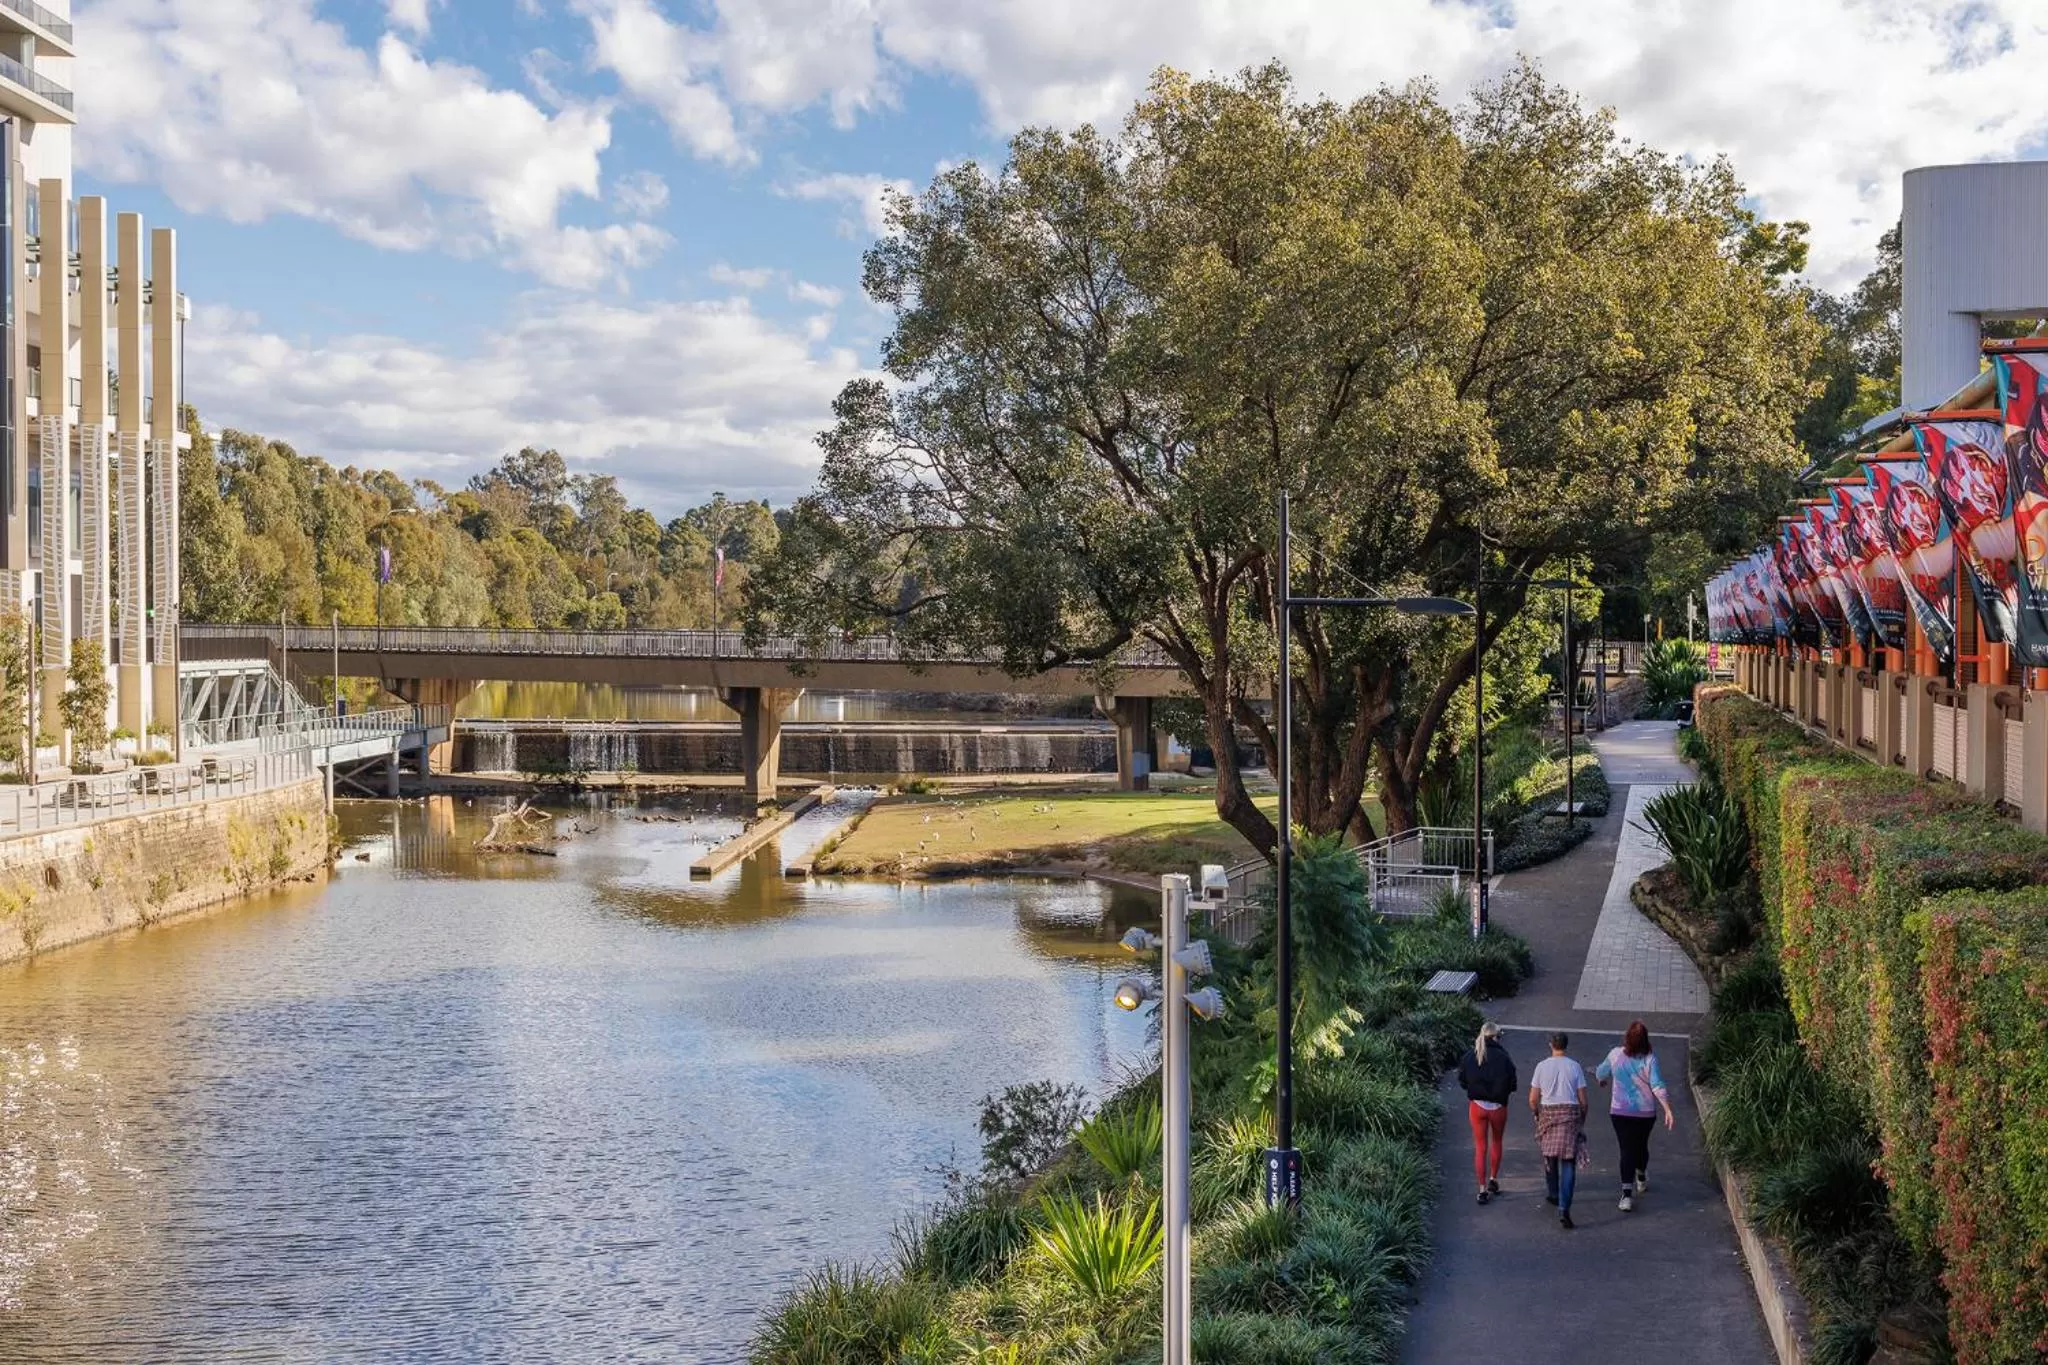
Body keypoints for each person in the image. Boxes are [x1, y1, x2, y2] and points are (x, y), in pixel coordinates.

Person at [1597, 1020, 1676, 1212]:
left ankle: (1626, 1194)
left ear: (1627, 1038)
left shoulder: (1615, 1055)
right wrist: (1667, 1108)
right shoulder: (1650, 1059)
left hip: (1620, 1112)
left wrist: (1601, 1080)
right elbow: (1657, 1086)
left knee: (1627, 1150)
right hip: (1645, 1113)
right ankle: (1640, 1173)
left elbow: (1601, 1071)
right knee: (1640, 1147)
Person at [1528, 1031, 1588, 1229]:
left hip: (1549, 1113)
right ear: (1566, 1045)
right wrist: (1581, 1120)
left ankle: (1553, 1192)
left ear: (1550, 1045)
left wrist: (1537, 1113)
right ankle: (1564, 1207)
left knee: (1549, 1154)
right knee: (1568, 1161)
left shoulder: (1541, 1066)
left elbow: (1533, 1098)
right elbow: (1583, 1101)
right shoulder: (1575, 1066)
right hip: (1570, 1115)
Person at [1455, 1022, 1517, 1204]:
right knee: (1497, 1141)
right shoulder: (1504, 1057)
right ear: (1496, 1037)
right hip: (1498, 1107)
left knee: (1480, 1147)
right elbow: (1512, 1082)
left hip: (1477, 1107)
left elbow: (1462, 1079)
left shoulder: (1470, 1055)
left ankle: (1482, 1190)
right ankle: (1493, 1179)